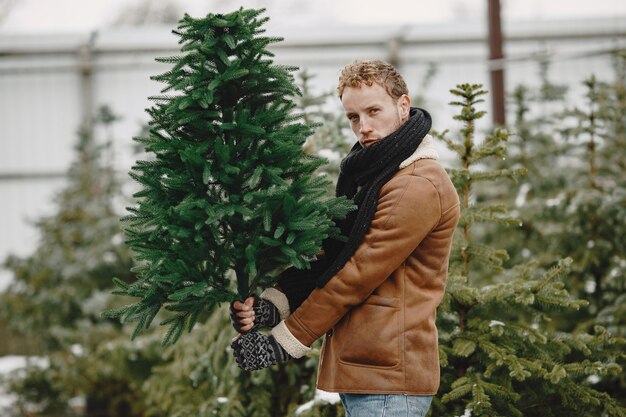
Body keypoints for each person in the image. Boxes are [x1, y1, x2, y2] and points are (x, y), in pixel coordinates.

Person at [229, 59, 460, 417]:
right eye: (353, 117)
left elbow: (355, 275)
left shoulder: (416, 185)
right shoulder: (375, 176)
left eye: (373, 111)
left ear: (403, 106)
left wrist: (286, 340)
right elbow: (333, 254)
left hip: (388, 377)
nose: (364, 127)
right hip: (369, 369)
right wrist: (273, 305)